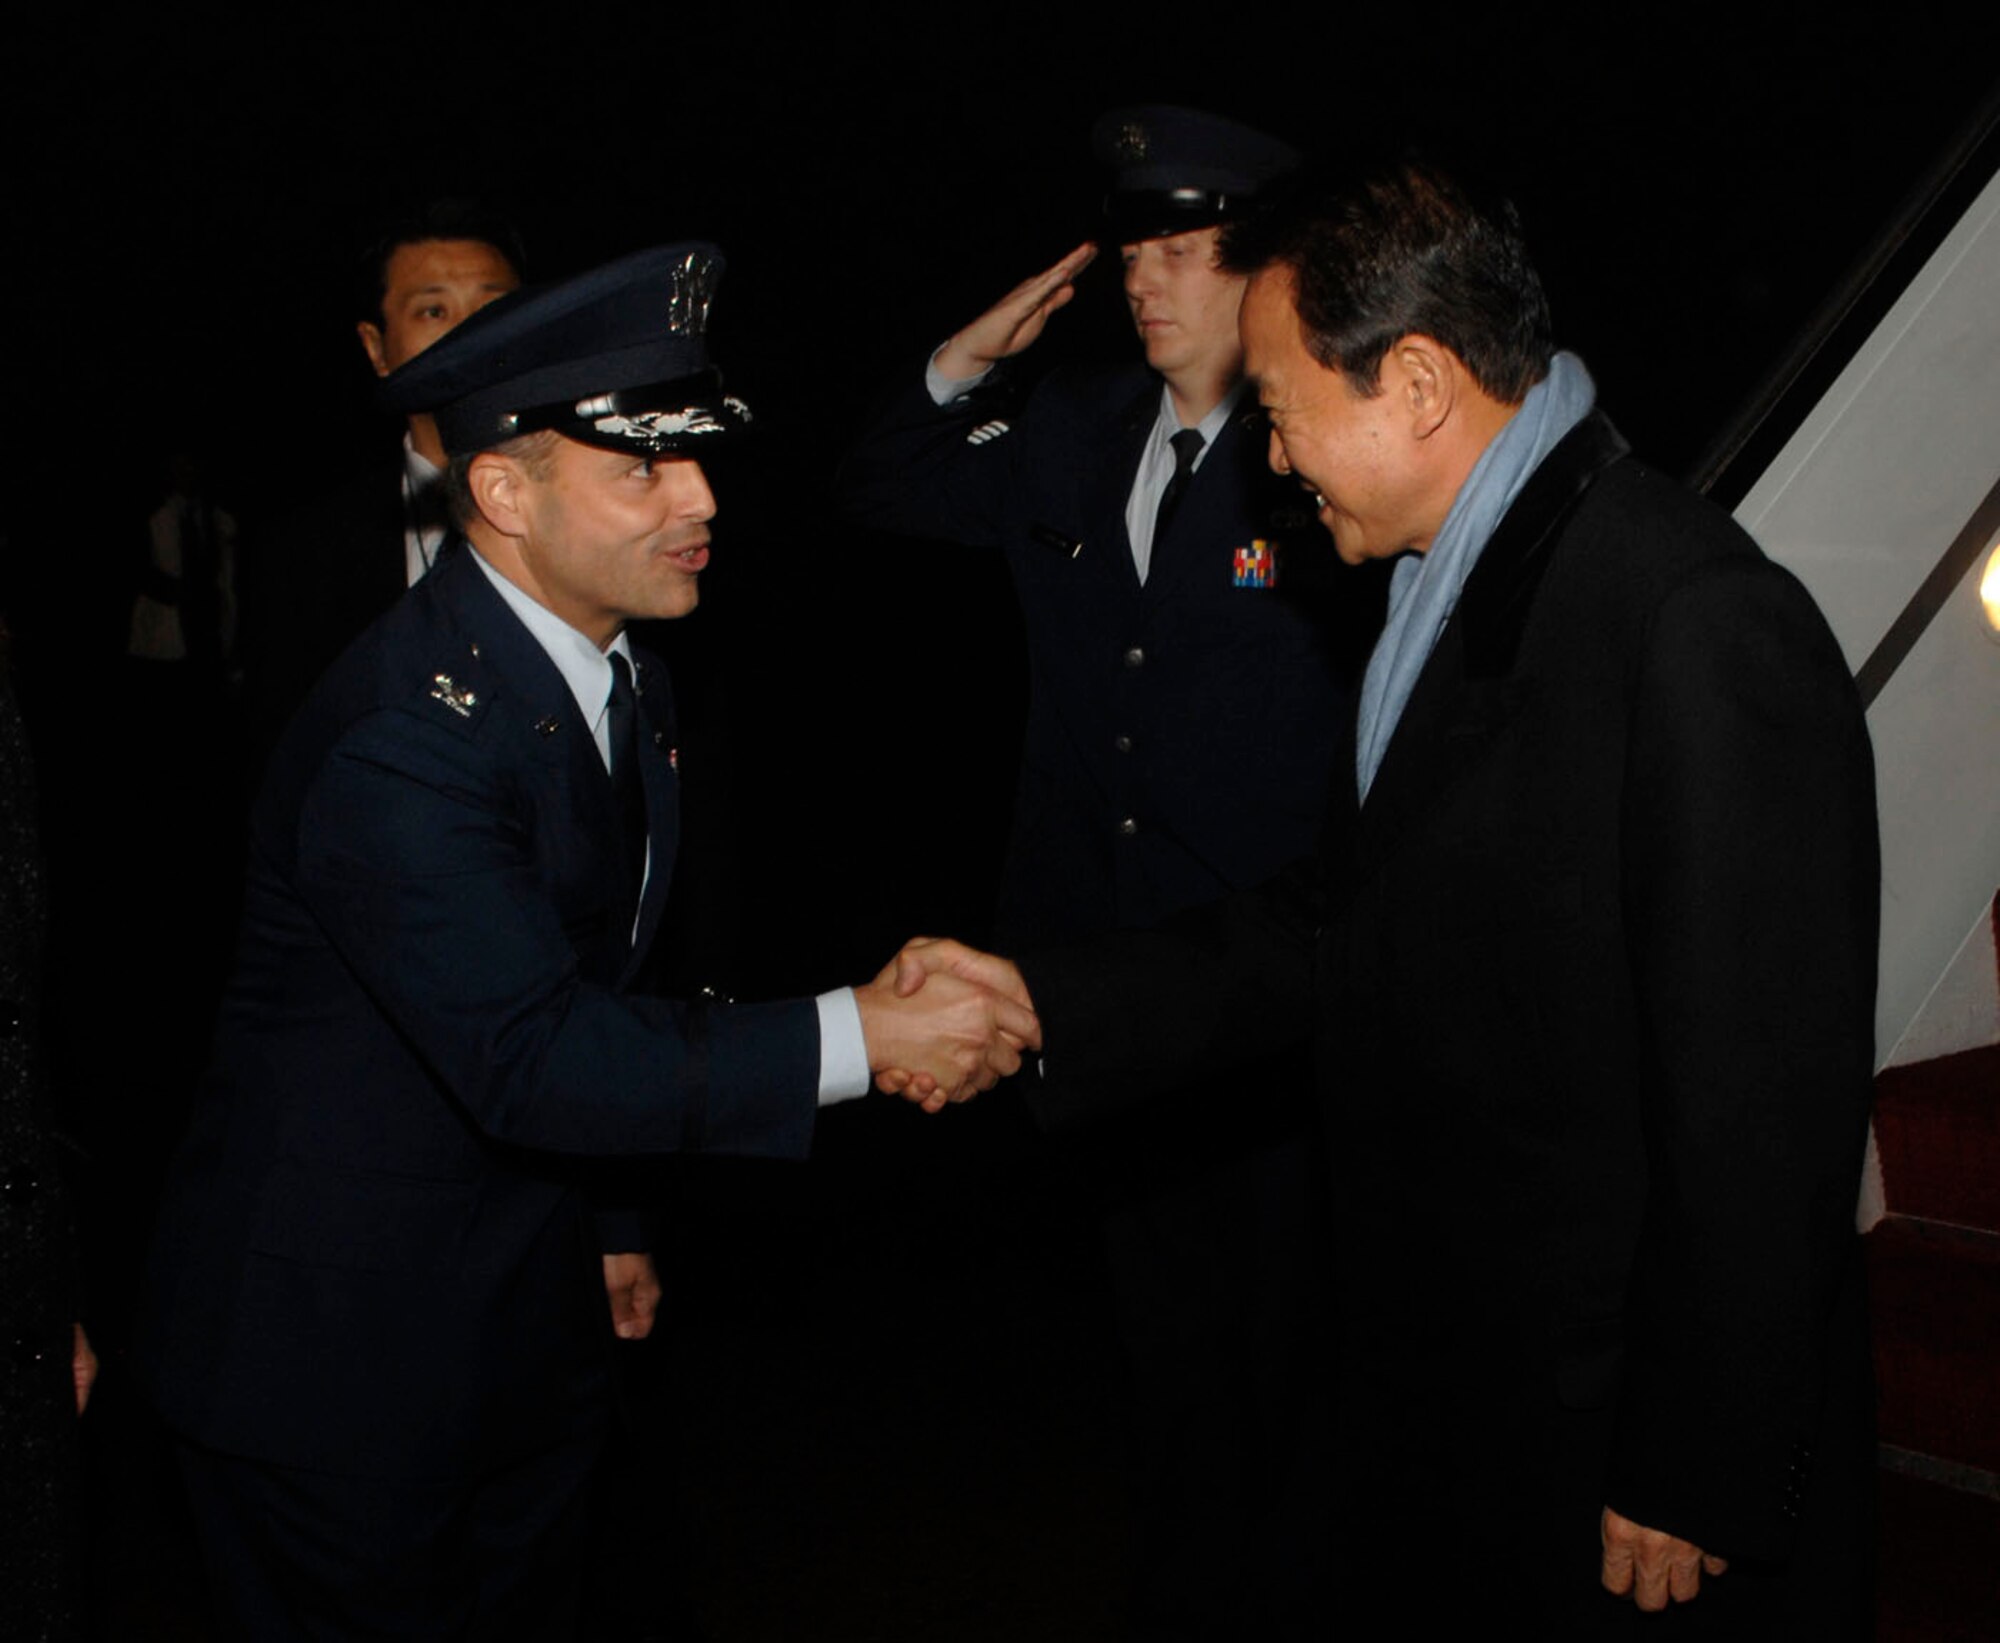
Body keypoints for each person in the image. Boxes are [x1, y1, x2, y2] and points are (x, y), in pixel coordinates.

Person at [890, 162, 1880, 1634]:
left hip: (1619, 1454)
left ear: (1415, 382)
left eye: (1284, 410)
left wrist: (1699, 1459)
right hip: (1473, 1388)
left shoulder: (1688, 617)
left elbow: (1760, 1100)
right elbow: (1340, 916)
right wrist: (1048, 999)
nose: (1275, 460)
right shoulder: (1451, 580)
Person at [136, 242, 1037, 1640]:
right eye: (645, 468)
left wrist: (616, 1222)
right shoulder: (401, 743)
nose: (703, 500)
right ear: (500, 489)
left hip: (517, 1318)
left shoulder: (626, 662)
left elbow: (608, 971)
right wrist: (865, 1030)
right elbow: (536, 1050)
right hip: (334, 1368)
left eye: (699, 458)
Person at [841, 107, 1382, 1637]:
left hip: (1265, 992)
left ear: (1268, 262)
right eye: (1134, 244)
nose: (1149, 276)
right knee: (1165, 1350)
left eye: (1188, 247)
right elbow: (883, 479)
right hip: (1094, 987)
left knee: (1295, 1354)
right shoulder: (1073, 428)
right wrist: (972, 358)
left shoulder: (1313, 451)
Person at [240, 199, 524, 749]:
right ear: (377, 347)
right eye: (433, 312)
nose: (469, 336)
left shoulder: (604, 512)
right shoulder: (303, 551)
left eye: (493, 308)